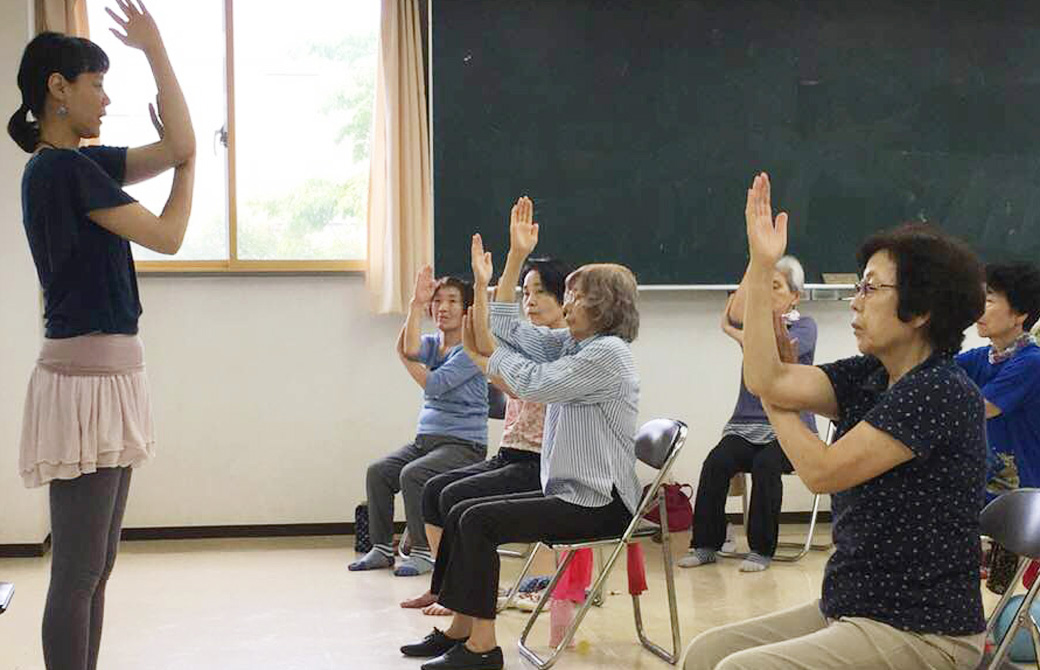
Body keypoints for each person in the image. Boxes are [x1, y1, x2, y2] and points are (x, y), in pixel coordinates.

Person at [683, 174, 987, 670]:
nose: (856, 299)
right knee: (707, 654)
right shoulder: (872, 374)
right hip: (857, 605)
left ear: (920, 311)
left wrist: (775, 399)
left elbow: (822, 471)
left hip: (924, 629)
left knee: (741, 669)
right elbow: (767, 374)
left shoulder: (940, 390)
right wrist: (761, 267)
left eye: (871, 287)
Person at [9, 2, 196, 668]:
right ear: (57, 88)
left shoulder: (78, 166)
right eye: (96, 83)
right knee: (81, 570)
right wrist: (191, 169)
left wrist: (157, 52)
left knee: (97, 565)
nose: (106, 97)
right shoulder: (62, 170)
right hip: (84, 379)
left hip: (107, 376)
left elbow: (175, 141)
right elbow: (171, 233)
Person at [400, 197, 642, 670]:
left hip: (601, 503)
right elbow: (509, 330)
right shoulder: (575, 343)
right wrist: (511, 259)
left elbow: (533, 382)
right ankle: (464, 631)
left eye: (575, 296)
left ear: (604, 306)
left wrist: (482, 355)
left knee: (476, 520)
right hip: (573, 493)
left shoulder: (607, 354)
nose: (566, 303)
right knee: (464, 509)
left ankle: (482, 650)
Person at [401, 200, 571, 613]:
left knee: (458, 500)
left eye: (540, 292)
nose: (529, 301)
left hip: (539, 465)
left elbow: (492, 341)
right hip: (510, 455)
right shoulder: (532, 336)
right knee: (435, 491)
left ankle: (461, 594)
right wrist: (486, 281)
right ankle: (446, 587)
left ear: (566, 296)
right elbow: (493, 331)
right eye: (526, 292)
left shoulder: (565, 343)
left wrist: (511, 261)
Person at [680, 256, 817, 572]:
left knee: (766, 464)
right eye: (763, 287)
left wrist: (732, 332)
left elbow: (774, 354)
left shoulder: (805, 326)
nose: (767, 294)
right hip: (746, 427)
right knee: (716, 463)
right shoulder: (753, 322)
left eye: (776, 287)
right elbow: (735, 311)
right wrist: (759, 265)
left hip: (790, 430)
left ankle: (761, 550)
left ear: (795, 296)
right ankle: (705, 544)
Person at [349, 269, 489, 577]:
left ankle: (424, 552)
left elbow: (434, 383)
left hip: (465, 446)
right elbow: (410, 346)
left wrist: (405, 360)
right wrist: (414, 304)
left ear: (467, 309)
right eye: (438, 300)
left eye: (453, 300)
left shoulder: (471, 348)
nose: (444, 307)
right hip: (426, 442)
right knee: (379, 472)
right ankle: (382, 548)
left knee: (413, 475)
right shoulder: (432, 344)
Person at [956, 262, 1040, 593]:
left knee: (1011, 589)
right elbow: (933, 374)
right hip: (990, 495)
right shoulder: (981, 358)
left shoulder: (1031, 362)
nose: (979, 307)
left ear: (1020, 314)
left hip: (1025, 499)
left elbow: (980, 408)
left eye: (990, 300)